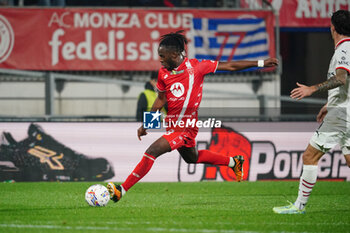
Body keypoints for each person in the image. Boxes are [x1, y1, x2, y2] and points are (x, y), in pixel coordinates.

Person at [107, 30, 278, 202]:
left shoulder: (197, 67)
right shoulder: (163, 73)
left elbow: (230, 66)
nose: (159, 59)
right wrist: (146, 125)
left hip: (186, 127)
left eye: (162, 55)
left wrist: (262, 63)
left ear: (174, 54)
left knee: (152, 151)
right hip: (173, 126)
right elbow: (160, 99)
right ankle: (234, 162)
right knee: (192, 158)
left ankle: (122, 189)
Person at [273, 10, 350, 214]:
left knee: (310, 156)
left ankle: (299, 206)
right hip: (344, 109)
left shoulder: (344, 50)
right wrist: (329, 103)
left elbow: (342, 78)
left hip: (341, 115)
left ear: (333, 27)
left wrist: (312, 89)